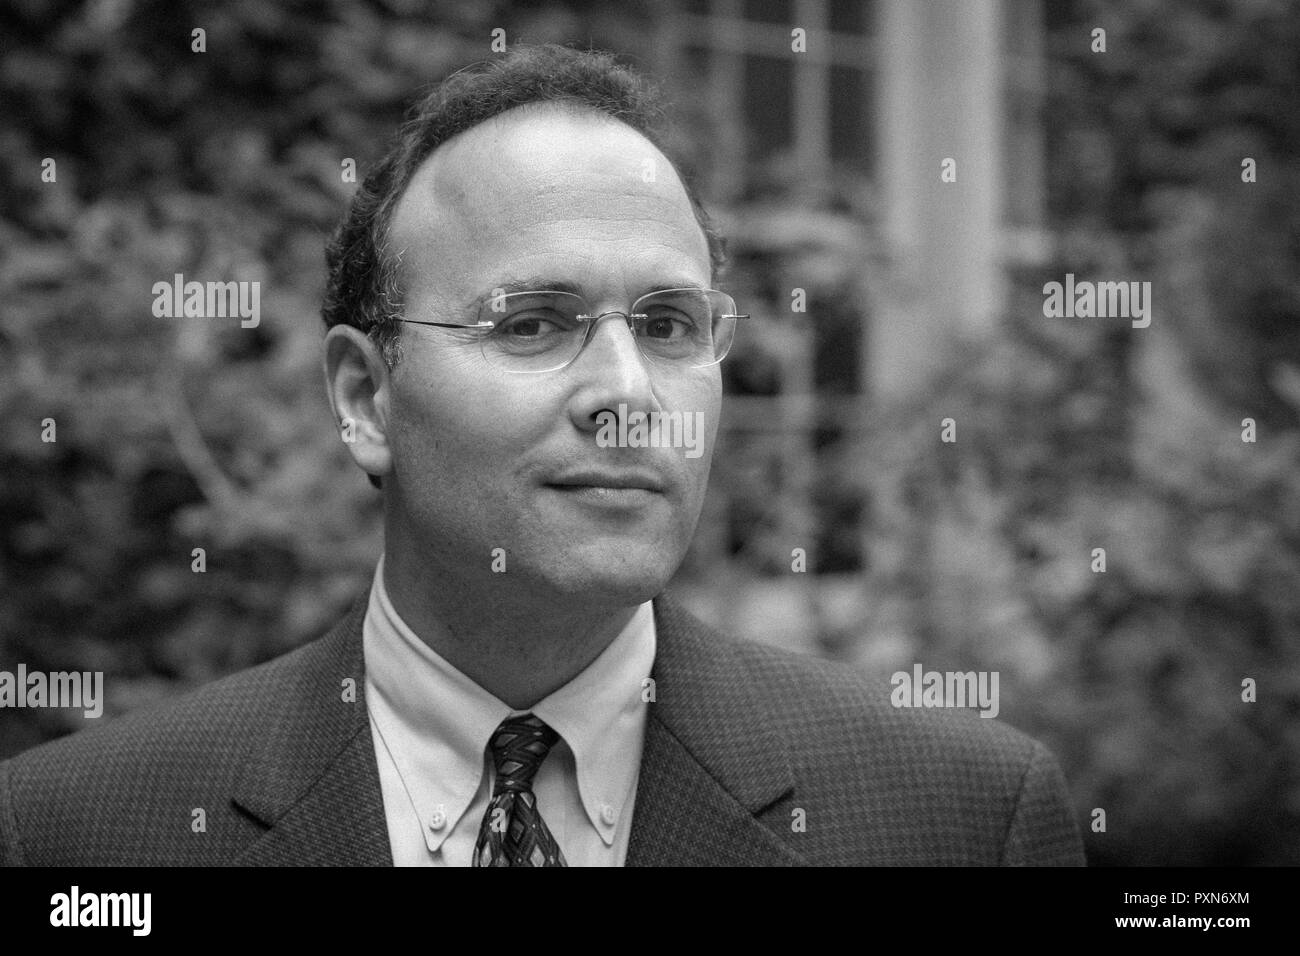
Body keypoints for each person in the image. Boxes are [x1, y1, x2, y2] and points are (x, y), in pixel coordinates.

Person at [0, 44, 1084, 866]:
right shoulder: (75, 836)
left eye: (667, 325)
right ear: (367, 398)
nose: (625, 395)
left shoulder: (961, 818)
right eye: (531, 322)